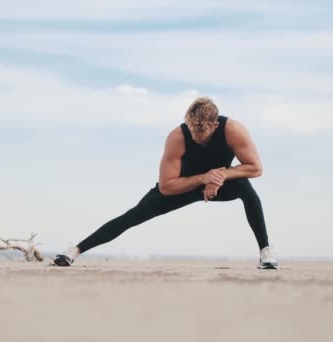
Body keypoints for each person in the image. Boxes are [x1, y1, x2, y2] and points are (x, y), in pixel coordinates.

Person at [54, 97, 278, 269]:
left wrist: (220, 176)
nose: (196, 136)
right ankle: (74, 250)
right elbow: (166, 186)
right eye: (192, 129)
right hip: (184, 185)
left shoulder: (233, 130)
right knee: (134, 215)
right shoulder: (177, 137)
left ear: (215, 125)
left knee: (247, 190)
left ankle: (266, 252)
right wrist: (203, 178)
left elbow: (255, 168)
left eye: (202, 131)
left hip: (220, 183)